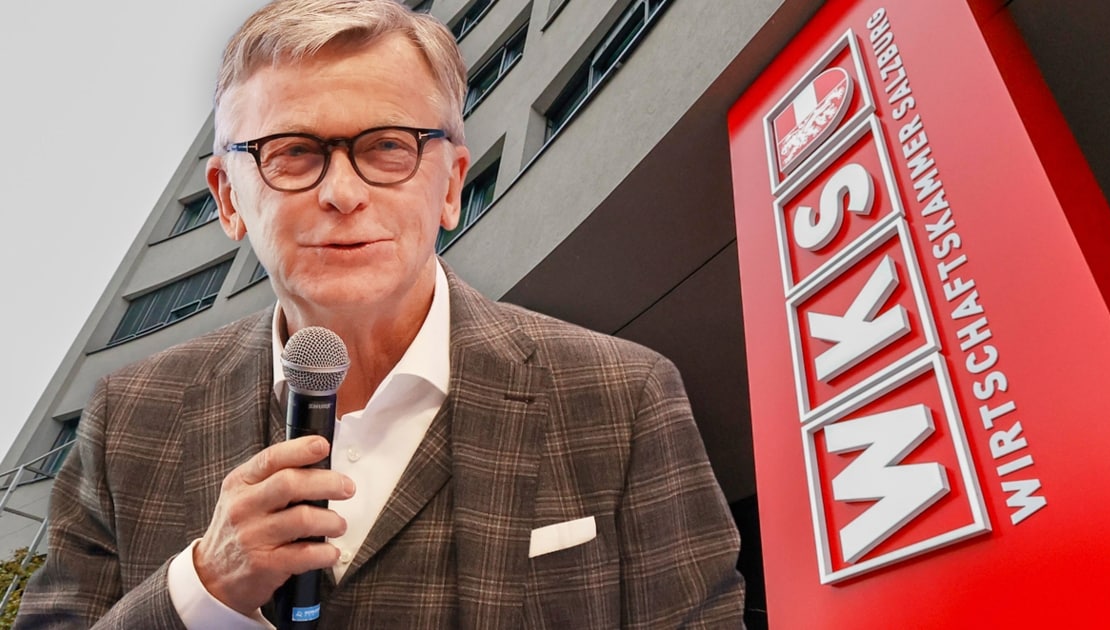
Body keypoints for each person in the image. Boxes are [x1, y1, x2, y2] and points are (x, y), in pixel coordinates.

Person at [16, 0, 744, 627]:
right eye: (292, 152)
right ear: (229, 199)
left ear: (451, 185)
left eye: (389, 147)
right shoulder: (128, 417)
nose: (342, 193)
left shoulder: (624, 396)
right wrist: (200, 589)